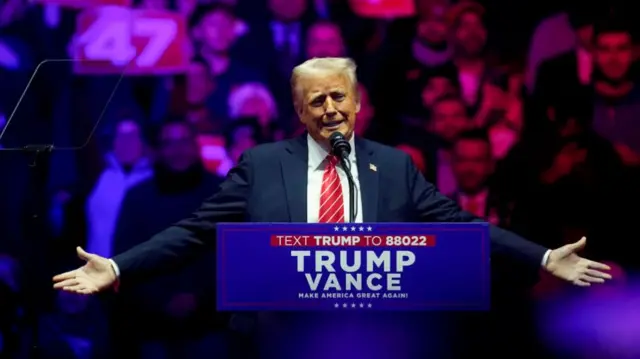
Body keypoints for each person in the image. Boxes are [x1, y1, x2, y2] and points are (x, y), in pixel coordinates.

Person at [53, 57, 611, 296]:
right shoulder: (262, 165)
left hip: (376, 333)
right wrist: (120, 265)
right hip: (280, 336)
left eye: (337, 96)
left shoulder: (393, 166)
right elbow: (194, 231)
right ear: (299, 112)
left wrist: (541, 256)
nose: (328, 109)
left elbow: (462, 225)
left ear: (358, 102)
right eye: (314, 100)